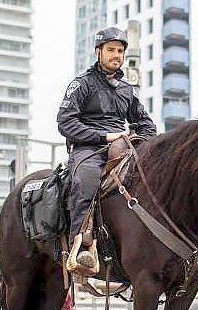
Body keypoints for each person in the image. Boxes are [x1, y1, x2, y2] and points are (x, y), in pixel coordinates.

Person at [57, 26, 157, 249]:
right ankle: (81, 245)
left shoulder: (127, 90)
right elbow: (65, 122)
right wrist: (105, 137)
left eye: (120, 51)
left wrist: (144, 141)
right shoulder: (81, 84)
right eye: (111, 49)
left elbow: (146, 123)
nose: (116, 55)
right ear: (98, 52)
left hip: (124, 146)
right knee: (86, 178)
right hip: (89, 149)